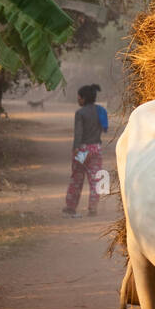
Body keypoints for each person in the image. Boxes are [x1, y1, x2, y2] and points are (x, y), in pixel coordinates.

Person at [64, 83, 107, 217]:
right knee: (95, 180)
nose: (78, 99)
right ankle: (92, 208)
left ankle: (71, 207)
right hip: (96, 149)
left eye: (79, 97)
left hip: (82, 150)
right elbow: (103, 129)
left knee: (77, 179)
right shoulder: (100, 111)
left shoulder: (80, 113)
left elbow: (78, 133)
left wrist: (76, 148)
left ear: (83, 98)